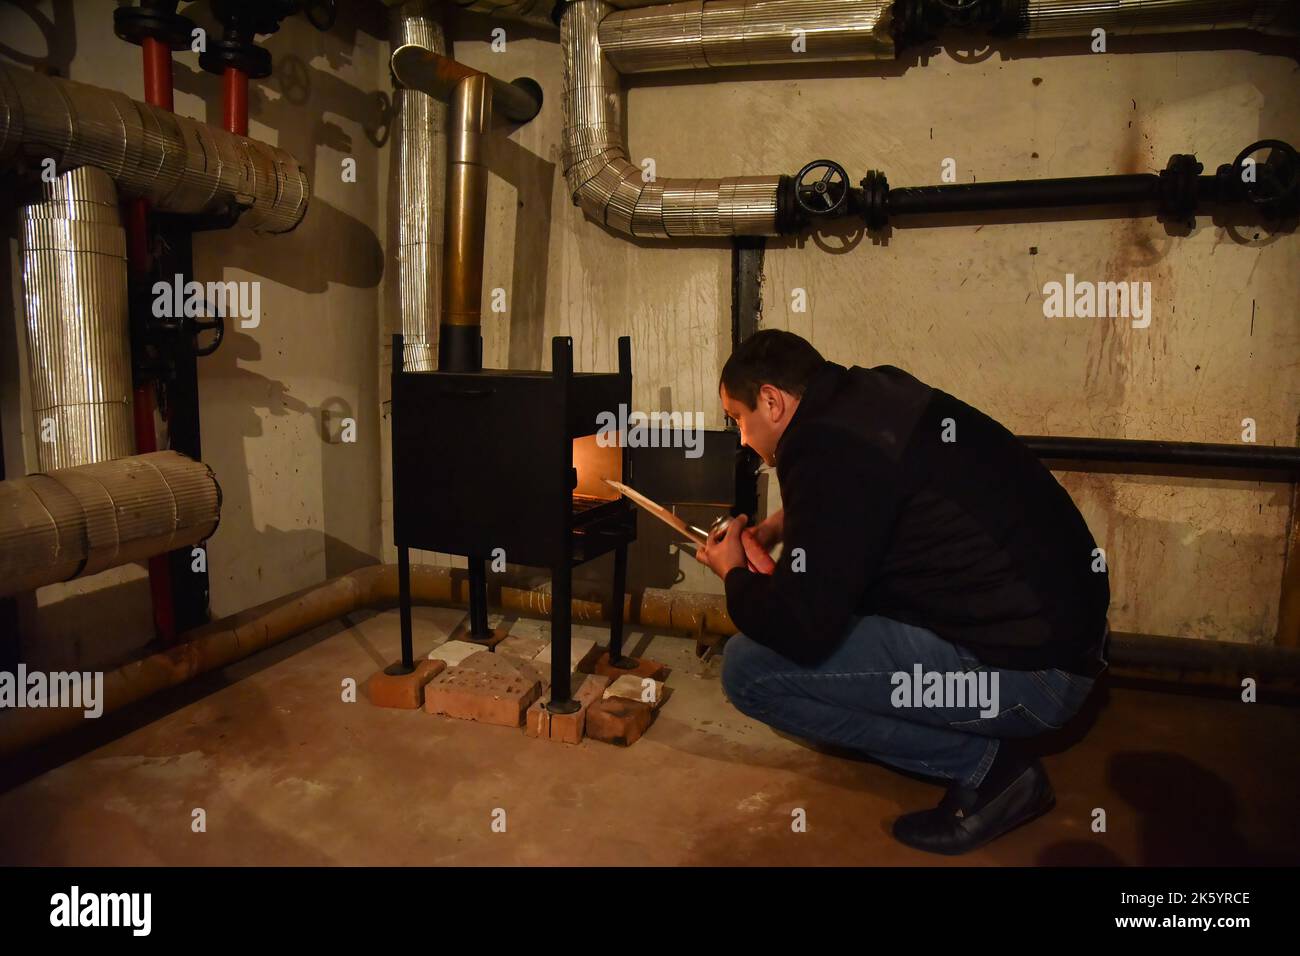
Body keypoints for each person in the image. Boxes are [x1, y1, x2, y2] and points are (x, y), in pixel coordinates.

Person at [695, 329, 1110, 855]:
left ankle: (992, 773)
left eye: (738, 418)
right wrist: (779, 528)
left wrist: (734, 573)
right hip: (1070, 635)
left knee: (749, 670)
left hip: (1038, 679)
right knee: (844, 611)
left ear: (772, 402)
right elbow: (863, 494)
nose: (742, 438)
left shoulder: (819, 453)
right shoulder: (869, 394)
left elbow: (802, 629)